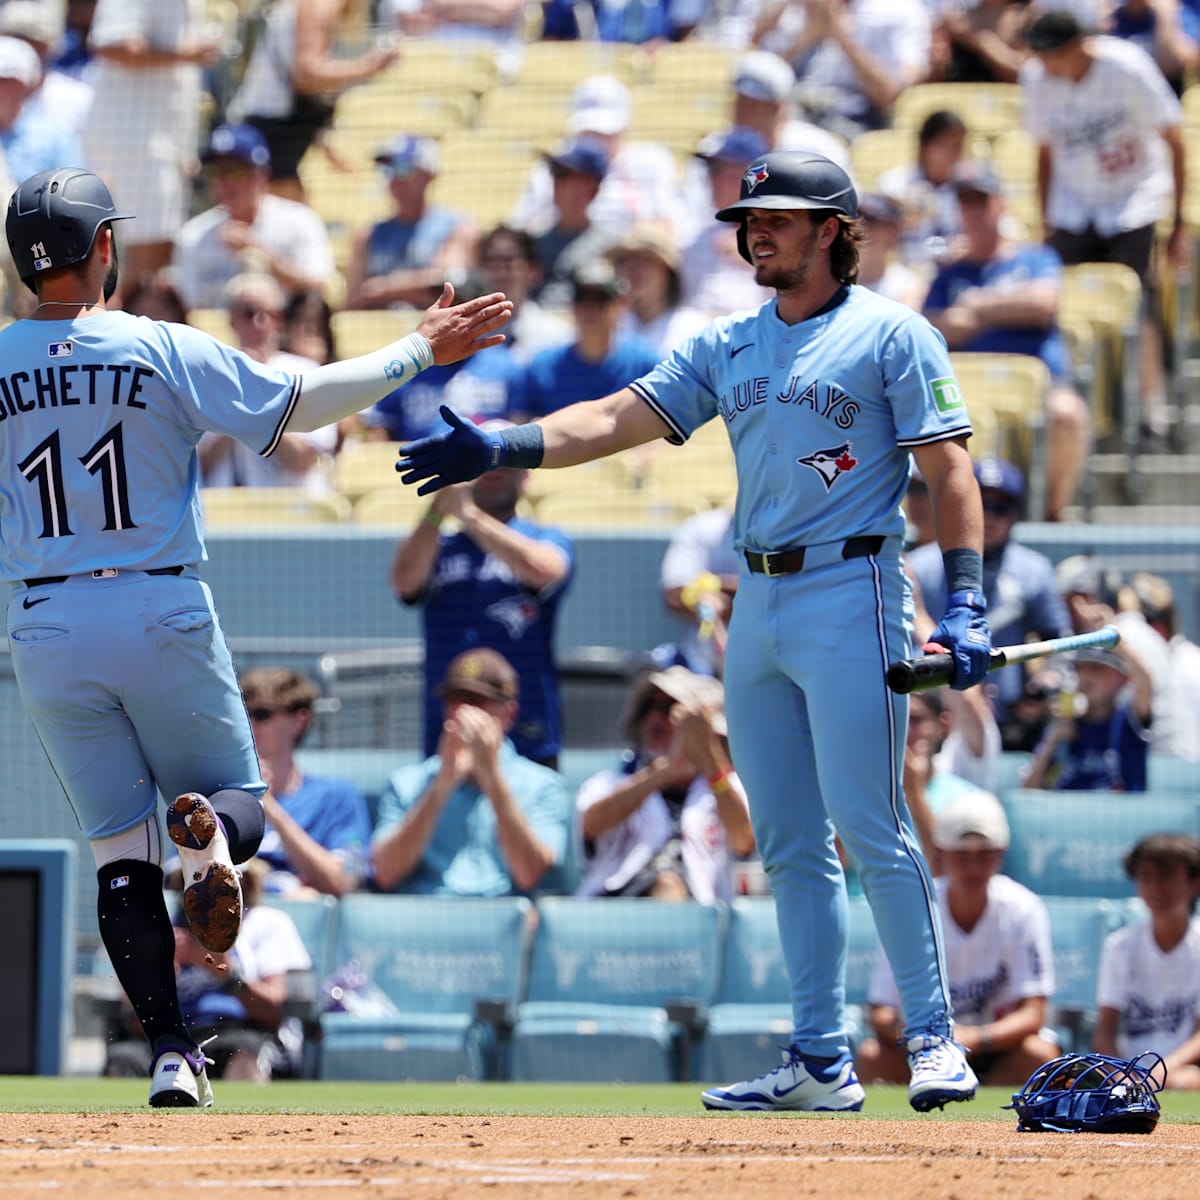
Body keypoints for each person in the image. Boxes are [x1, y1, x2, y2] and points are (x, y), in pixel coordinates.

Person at [396, 150, 995, 1114]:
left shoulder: (896, 334)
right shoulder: (730, 342)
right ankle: (818, 1060)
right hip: (752, 603)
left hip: (855, 586)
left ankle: (931, 1039)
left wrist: (963, 598)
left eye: (781, 216)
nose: (757, 228)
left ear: (835, 230)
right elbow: (611, 417)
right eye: (750, 217)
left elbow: (951, 473)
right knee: (791, 842)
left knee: (870, 824)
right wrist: (504, 445)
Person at [0, 165, 511, 1107]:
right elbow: (300, 404)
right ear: (103, 247)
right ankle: (212, 850)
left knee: (118, 853)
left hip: (43, 619)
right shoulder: (156, 344)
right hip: (156, 599)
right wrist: (415, 349)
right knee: (240, 794)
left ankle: (168, 1053)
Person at [1020, 8, 1188, 445]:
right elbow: (1043, 152)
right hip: (1075, 204)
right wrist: (1045, 219)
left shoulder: (1126, 65)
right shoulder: (1036, 79)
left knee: (1138, 301)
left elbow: (1174, 137)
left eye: (1051, 53)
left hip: (1133, 197)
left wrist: (1182, 220)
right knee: (1068, 307)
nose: (1044, 63)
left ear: (1077, 46)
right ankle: (1087, 408)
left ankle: (1151, 411)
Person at [391, 430, 574, 767]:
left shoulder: (546, 536)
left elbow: (545, 570)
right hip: (448, 729)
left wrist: (471, 516)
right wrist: (438, 508)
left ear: (526, 474)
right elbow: (404, 583)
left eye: (506, 461)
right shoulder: (439, 544)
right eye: (484, 462)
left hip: (526, 730)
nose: (495, 470)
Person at [922, 159, 1091, 521]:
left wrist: (977, 306)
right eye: (965, 202)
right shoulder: (950, 271)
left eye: (981, 200)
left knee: (1067, 413)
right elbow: (935, 326)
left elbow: (1042, 303)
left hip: (1040, 385)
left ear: (1001, 203)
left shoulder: (1034, 257)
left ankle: (1050, 515)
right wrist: (1005, 308)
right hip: (966, 389)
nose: (973, 211)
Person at [856, 790, 1060, 1087]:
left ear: (1001, 855)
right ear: (941, 854)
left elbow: (1034, 1013)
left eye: (985, 854)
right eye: (962, 855)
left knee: (1039, 1055)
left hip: (997, 1046)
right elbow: (882, 1011)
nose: (974, 867)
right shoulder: (915, 910)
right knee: (873, 1056)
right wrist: (930, 1041)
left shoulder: (1023, 909)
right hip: (926, 1050)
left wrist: (977, 1038)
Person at [370, 648, 570, 895]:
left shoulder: (544, 785)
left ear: (508, 714)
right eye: (454, 700)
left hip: (504, 923)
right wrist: (442, 784)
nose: (461, 713)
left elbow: (530, 874)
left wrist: (492, 778)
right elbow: (385, 873)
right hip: (425, 921)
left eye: (476, 702)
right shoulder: (406, 783)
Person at [906, 457, 1071, 728]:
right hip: (932, 718)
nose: (990, 516)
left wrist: (1046, 681)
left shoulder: (1033, 570)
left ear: (1015, 514)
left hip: (1007, 718)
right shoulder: (920, 566)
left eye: (1001, 508)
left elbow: (1057, 642)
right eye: (982, 504)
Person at [575, 666, 755, 902]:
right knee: (666, 886)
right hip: (613, 907)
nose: (653, 718)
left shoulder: (726, 785)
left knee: (669, 886)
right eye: (647, 708)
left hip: (701, 916)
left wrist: (709, 756)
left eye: (667, 708)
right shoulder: (610, 781)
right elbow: (591, 824)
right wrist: (664, 771)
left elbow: (743, 841)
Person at [78, 0, 223, 293]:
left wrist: (185, 149)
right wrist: (185, 54)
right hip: (133, 144)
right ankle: (114, 329)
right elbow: (112, 44)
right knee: (147, 254)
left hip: (158, 145)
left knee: (155, 254)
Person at [224, 0, 400, 202]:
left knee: (289, 218)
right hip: (273, 129)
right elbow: (307, 72)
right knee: (280, 220)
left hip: (273, 125)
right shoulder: (319, 4)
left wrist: (323, 142)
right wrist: (370, 65)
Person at [172, 858, 313, 1082]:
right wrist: (160, 979)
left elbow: (274, 1012)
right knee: (127, 1057)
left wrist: (227, 975)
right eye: (194, 878)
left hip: (243, 1031)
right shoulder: (167, 930)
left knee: (244, 1053)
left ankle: (242, 1119)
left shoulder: (266, 923)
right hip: (177, 1036)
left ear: (244, 882)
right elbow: (133, 1023)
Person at [198, 272, 340, 492]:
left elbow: (303, 459)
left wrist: (256, 402)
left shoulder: (307, 373)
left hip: (292, 511)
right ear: (232, 320)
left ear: (280, 321)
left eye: (271, 314)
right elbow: (199, 464)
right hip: (225, 513)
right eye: (249, 313)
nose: (259, 323)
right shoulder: (208, 377)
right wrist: (235, 405)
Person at [171, 123, 336, 313]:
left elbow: (321, 288)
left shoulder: (300, 221)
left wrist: (262, 255)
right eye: (217, 172)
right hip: (213, 339)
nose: (226, 183)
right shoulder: (193, 235)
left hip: (284, 336)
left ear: (261, 175)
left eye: (235, 171)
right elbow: (185, 308)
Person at [239, 666, 373, 897]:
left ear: (300, 721)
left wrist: (267, 804)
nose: (249, 724)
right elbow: (177, 876)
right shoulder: (219, 795)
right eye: (242, 714)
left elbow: (346, 879)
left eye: (261, 714)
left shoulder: (338, 797)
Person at [1094, 832, 1200, 1088]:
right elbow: (1104, 1031)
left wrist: (1159, 1073)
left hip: (1183, 1069)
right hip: (1129, 1070)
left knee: (1184, 1082)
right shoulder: (1119, 946)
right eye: (1146, 877)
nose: (1156, 887)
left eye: (1167, 876)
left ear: (1194, 882)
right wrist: (1120, 1075)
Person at [751, 0, 932, 140]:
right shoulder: (807, 7)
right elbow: (766, 76)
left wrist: (841, 36)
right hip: (795, 113)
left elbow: (888, 95)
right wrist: (808, 36)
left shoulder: (899, 10)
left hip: (853, 122)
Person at [343, 134, 480, 312]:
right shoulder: (369, 234)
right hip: (381, 334)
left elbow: (448, 287)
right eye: (387, 169)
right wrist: (415, 286)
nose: (393, 178)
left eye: (402, 168)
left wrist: (381, 288)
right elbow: (354, 299)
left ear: (428, 175)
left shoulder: (458, 227)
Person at [514, 257, 660, 421]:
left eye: (601, 299)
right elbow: (519, 425)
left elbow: (664, 430)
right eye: (583, 299)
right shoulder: (543, 367)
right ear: (572, 305)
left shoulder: (644, 365)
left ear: (620, 305)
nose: (591, 309)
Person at [1021, 643, 1154, 791]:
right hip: (1065, 813)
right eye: (1081, 668)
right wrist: (1050, 743)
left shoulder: (1127, 721)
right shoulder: (1065, 727)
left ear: (1123, 678)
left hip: (1121, 813)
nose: (1087, 676)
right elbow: (1029, 791)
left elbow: (1145, 679)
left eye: (1098, 669)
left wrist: (1114, 635)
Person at [680, 125, 775, 315]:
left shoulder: (784, 233)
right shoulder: (701, 236)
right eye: (709, 169)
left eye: (718, 169)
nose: (710, 178)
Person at [528, 136, 614, 311]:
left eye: (564, 175)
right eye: (554, 173)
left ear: (592, 185)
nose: (555, 182)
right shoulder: (530, 243)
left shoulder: (613, 246)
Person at [876, 109, 968, 270]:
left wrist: (969, 245)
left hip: (954, 270)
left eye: (957, 146)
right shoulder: (896, 182)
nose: (951, 153)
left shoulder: (971, 188)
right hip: (905, 271)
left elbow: (1001, 233)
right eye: (943, 145)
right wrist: (902, 208)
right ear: (924, 145)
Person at [659, 506, 740, 677]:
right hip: (703, 668)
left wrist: (713, 587)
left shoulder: (792, 528)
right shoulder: (702, 527)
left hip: (774, 667)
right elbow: (674, 596)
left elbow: (776, 596)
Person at [608, 223, 710, 357]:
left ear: (667, 272)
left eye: (644, 261)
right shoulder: (609, 324)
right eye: (625, 262)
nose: (632, 269)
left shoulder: (694, 329)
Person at [855, 191, 926, 310]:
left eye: (870, 222)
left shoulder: (907, 285)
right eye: (854, 221)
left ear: (894, 232)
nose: (862, 229)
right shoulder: (831, 282)